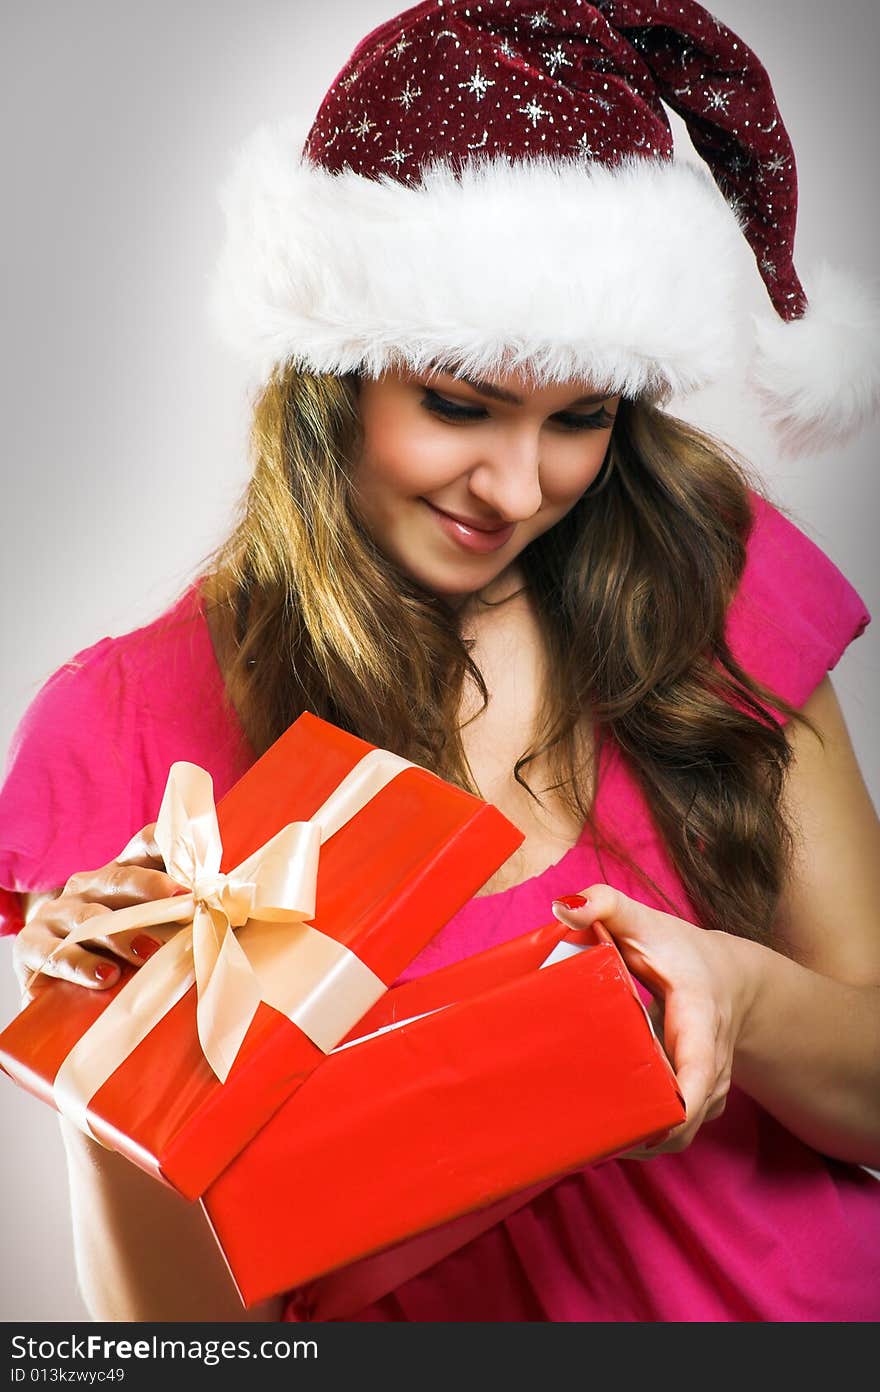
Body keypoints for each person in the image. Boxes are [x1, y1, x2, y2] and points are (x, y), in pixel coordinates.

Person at [2, 0, 879, 1323]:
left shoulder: (712, 577)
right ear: (333, 368)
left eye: (579, 417)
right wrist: (116, 1082)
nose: (519, 486)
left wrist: (740, 995)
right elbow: (179, 1344)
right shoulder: (125, 722)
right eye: (459, 405)